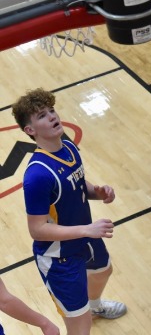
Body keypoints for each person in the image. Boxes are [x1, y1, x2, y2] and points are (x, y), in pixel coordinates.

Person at [11, 89, 127, 335]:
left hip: (84, 237)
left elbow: (77, 183)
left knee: (102, 271)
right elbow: (37, 230)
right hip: (58, 258)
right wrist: (87, 229)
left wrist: (98, 192)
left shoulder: (68, 147)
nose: (52, 116)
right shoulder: (37, 175)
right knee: (80, 327)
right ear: (30, 130)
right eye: (42, 115)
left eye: (51, 110)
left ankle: (94, 306)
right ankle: (87, 313)